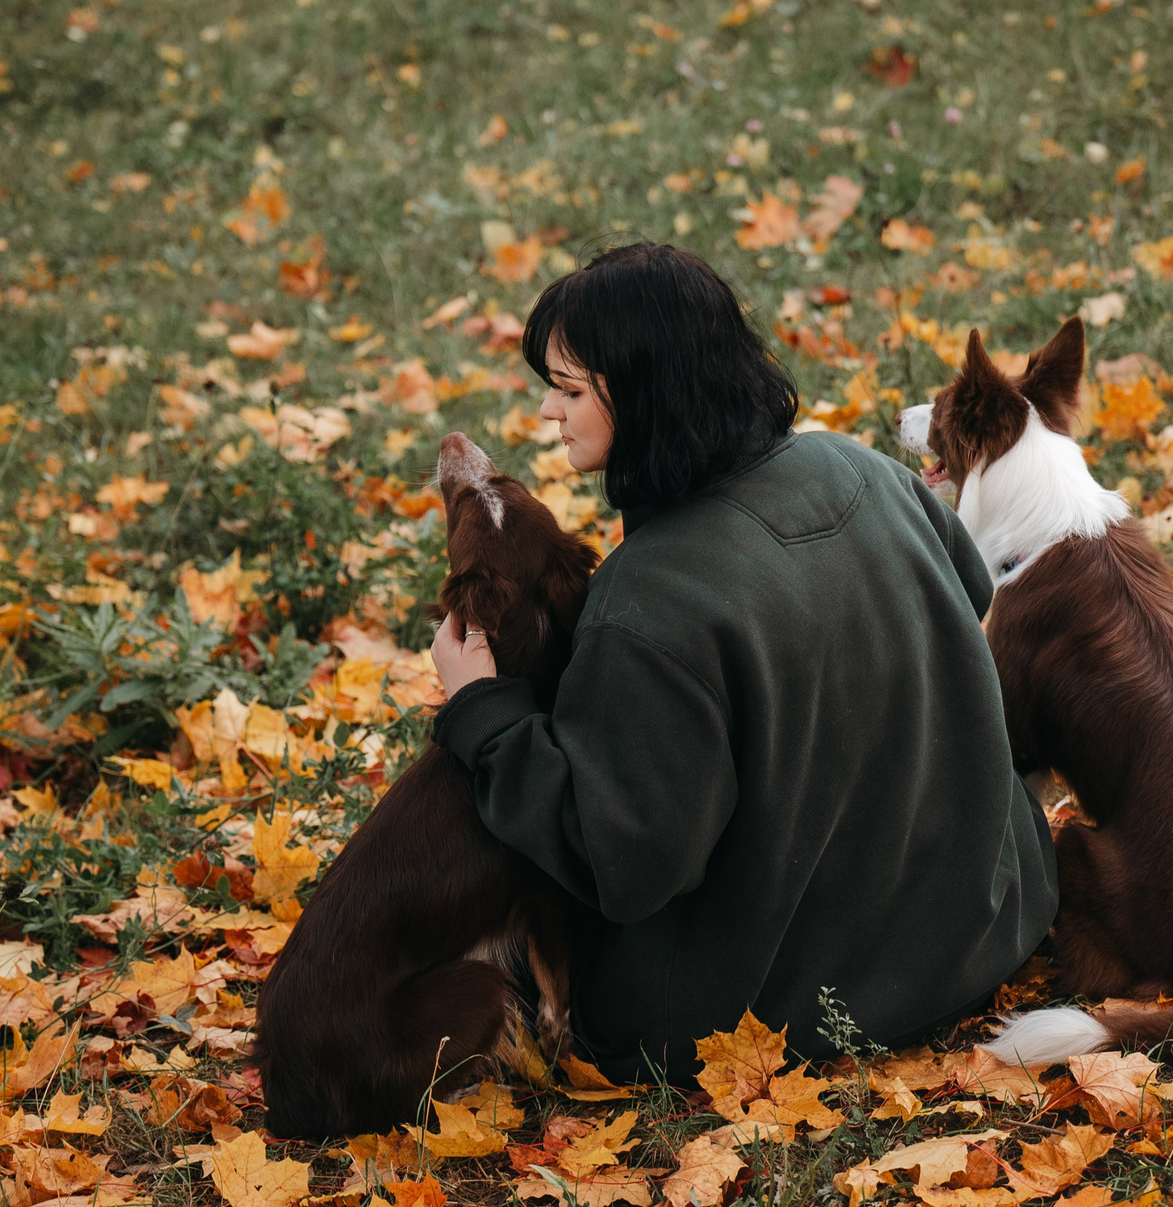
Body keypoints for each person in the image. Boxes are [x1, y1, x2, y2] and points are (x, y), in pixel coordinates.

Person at [429, 241, 1055, 1078]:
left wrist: (483, 713)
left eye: (571, 390)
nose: (550, 412)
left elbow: (625, 858)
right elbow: (970, 584)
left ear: (648, 395)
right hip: (986, 921)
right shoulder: (860, 467)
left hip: (771, 1010)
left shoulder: (644, 604)